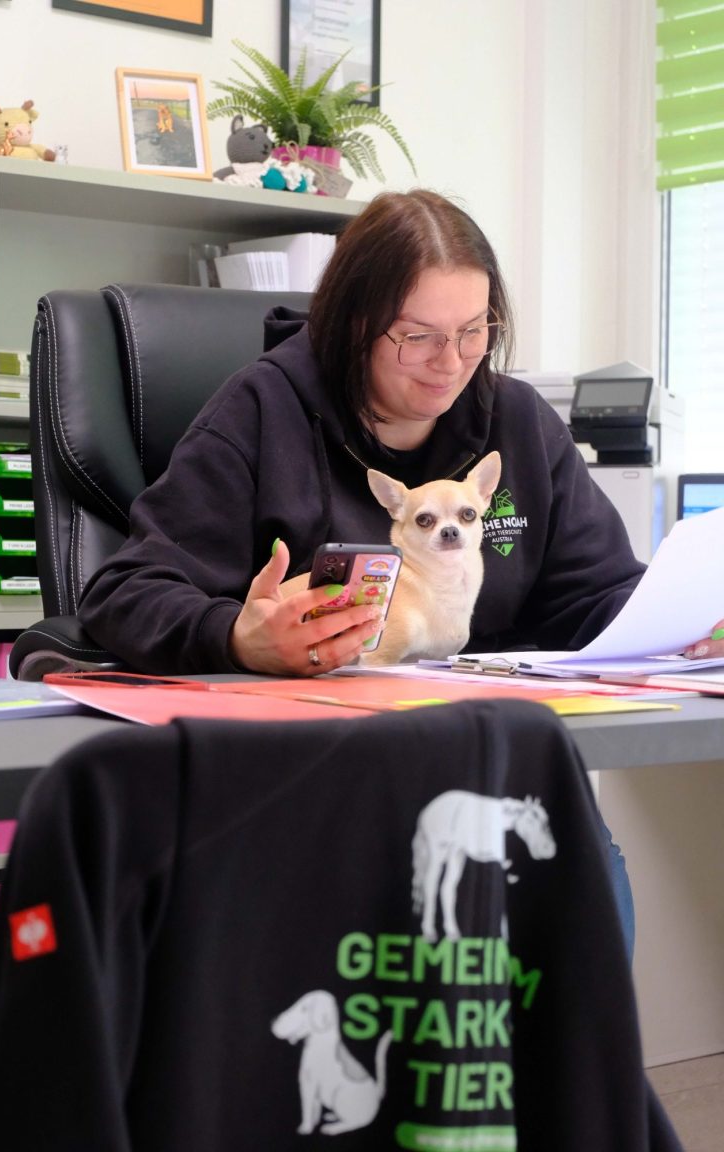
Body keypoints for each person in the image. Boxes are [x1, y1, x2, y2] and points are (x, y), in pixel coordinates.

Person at [77, 188, 724, 953]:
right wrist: (237, 635)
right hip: (311, 773)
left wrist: (687, 619)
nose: (450, 363)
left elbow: (596, 593)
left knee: (575, 897)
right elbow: (125, 593)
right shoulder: (261, 412)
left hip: (489, 757)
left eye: (475, 331)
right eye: (417, 336)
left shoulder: (516, 425)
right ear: (354, 325)